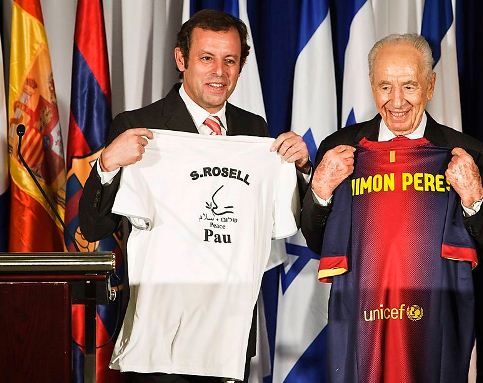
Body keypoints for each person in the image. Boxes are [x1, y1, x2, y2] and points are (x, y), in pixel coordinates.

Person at [79, 9, 310, 383]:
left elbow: (282, 223)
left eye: (230, 60)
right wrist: (106, 163)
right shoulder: (138, 128)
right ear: (181, 59)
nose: (219, 71)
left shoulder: (256, 132)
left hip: (227, 339)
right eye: (206, 58)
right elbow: (92, 227)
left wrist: (299, 170)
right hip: (159, 337)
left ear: (240, 66)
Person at [301, 34, 483, 382]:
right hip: (362, 326)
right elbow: (318, 241)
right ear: (371, 85)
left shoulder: (464, 152)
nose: (397, 101)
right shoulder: (340, 148)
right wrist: (319, 191)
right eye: (385, 86)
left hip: (435, 329)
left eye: (409, 86)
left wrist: (474, 199)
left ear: (430, 85)